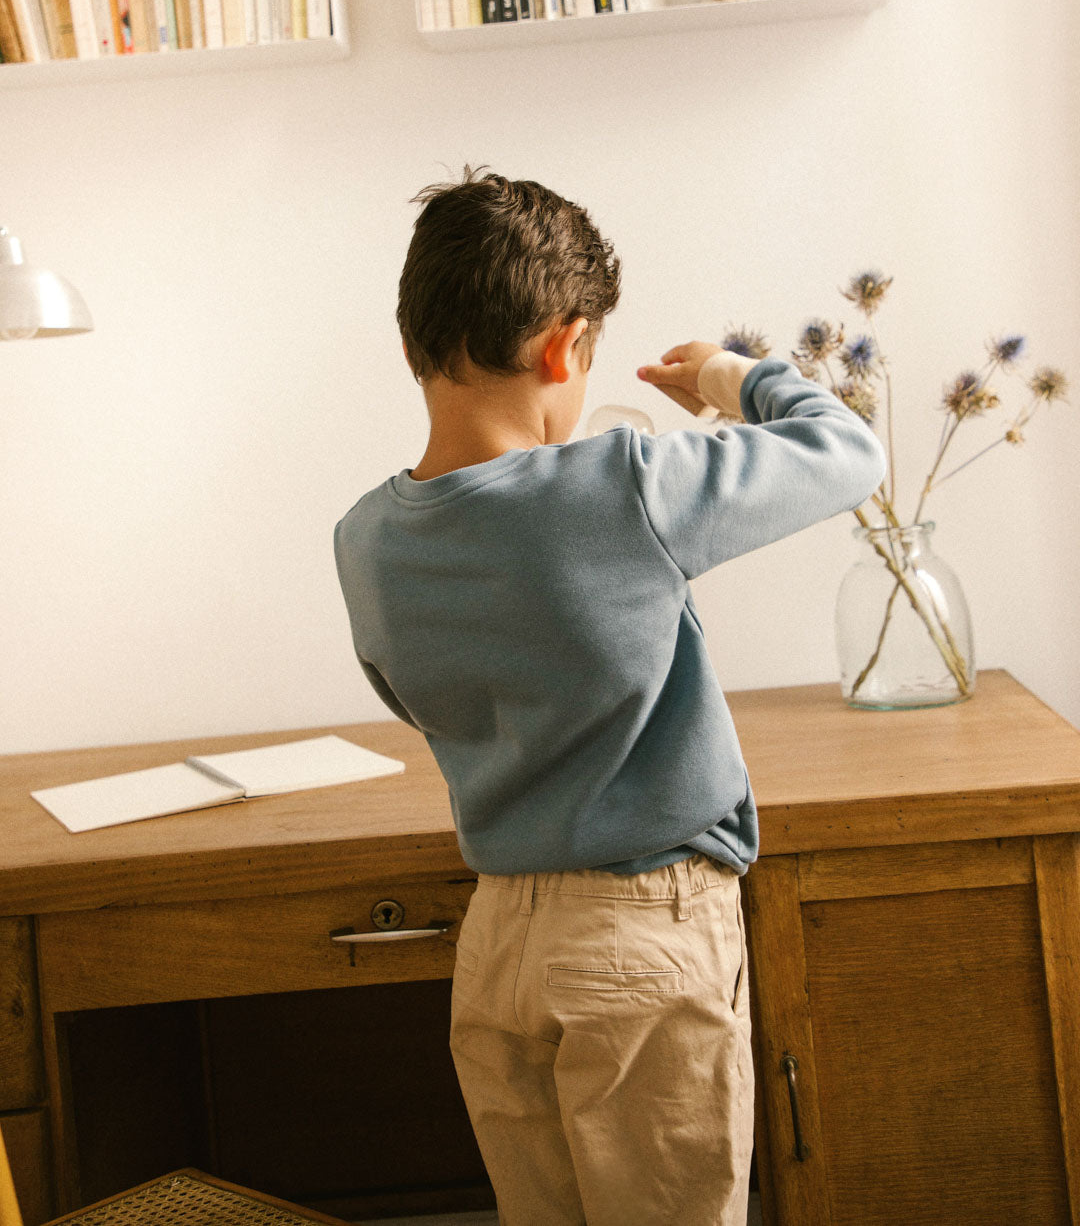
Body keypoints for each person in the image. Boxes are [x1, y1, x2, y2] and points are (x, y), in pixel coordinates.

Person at [334, 168, 887, 1225]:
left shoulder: (364, 539)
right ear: (564, 346)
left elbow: (423, 703)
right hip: (641, 934)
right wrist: (735, 377)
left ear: (412, 345)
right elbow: (847, 452)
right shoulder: (621, 485)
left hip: (497, 951)